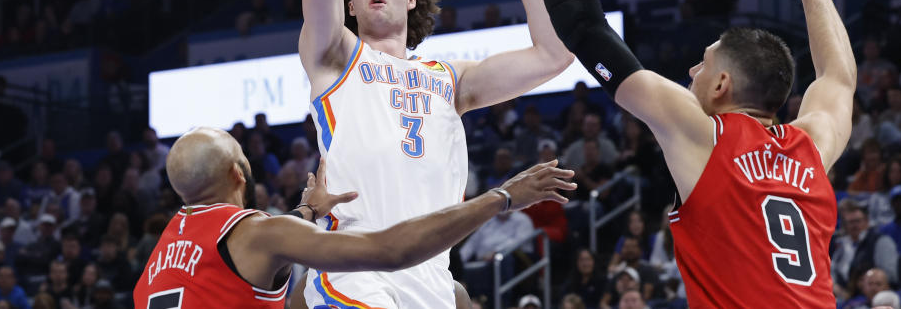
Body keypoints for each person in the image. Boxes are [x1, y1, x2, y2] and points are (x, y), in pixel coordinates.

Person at [493, 0, 857, 307]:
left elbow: (587, 28)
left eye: (702, 63)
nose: (692, 71)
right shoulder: (811, 147)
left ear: (723, 84)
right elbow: (838, 78)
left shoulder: (704, 133)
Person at [291, 0, 574, 309]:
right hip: (353, 266)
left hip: (430, 279)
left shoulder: (449, 78)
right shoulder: (334, 56)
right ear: (350, 6)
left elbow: (555, 53)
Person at [132, 127, 573, 307]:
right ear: (238, 173)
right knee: (451, 294)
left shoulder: (167, 244)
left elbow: (247, 253)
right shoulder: (260, 233)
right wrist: (501, 197)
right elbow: (390, 250)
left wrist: (307, 210)